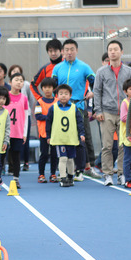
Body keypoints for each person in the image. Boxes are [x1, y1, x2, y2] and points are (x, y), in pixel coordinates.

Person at [51, 38, 96, 180]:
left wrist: (92, 93)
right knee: (63, 138)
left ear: (76, 50)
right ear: (63, 52)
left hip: (79, 107)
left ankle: (83, 169)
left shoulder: (84, 67)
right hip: (61, 109)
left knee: (83, 138)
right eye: (67, 50)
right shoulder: (57, 68)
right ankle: (63, 171)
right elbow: (53, 87)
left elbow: (96, 82)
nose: (69, 52)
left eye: (72, 49)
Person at [93, 40, 131, 185]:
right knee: (107, 146)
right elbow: (97, 92)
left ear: (121, 52)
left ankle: (122, 174)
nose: (113, 52)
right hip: (107, 112)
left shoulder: (129, 71)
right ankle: (108, 174)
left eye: (116, 49)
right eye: (110, 49)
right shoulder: (101, 71)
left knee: (124, 145)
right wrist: (98, 110)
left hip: (125, 113)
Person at [46, 84, 86, 187]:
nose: (63, 96)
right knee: (62, 158)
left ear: (70, 95)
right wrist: (48, 136)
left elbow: (79, 122)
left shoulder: (74, 108)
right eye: (61, 94)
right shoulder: (53, 108)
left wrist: (81, 134)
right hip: (59, 139)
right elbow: (49, 122)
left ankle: (70, 177)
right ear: (57, 95)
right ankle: (63, 178)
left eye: (66, 94)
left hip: (71, 138)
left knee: (70, 159)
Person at [5, 72, 29, 189]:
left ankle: (16, 178)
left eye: (21, 80)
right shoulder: (5, 97)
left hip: (18, 132)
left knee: (16, 155)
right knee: (0, 154)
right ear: (10, 82)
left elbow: (26, 117)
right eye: (16, 80)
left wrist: (24, 133)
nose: (19, 82)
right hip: (5, 132)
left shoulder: (24, 98)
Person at [9, 64, 34, 171]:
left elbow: (31, 100)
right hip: (11, 121)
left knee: (24, 140)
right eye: (13, 72)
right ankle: (7, 167)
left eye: (21, 79)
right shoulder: (7, 92)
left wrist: (29, 112)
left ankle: (25, 162)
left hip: (23, 116)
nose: (19, 81)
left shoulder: (27, 86)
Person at [35, 78, 59, 183]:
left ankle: (53, 174)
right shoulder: (39, 102)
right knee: (44, 154)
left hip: (56, 133)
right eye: (45, 87)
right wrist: (50, 117)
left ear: (53, 88)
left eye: (49, 87)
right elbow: (38, 116)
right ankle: (41, 174)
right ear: (42, 89)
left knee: (54, 154)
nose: (47, 89)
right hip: (43, 133)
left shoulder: (57, 101)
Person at [119, 79, 131, 188]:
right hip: (128, 136)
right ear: (126, 91)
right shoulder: (125, 102)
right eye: (130, 89)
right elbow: (123, 118)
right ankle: (127, 180)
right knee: (128, 158)